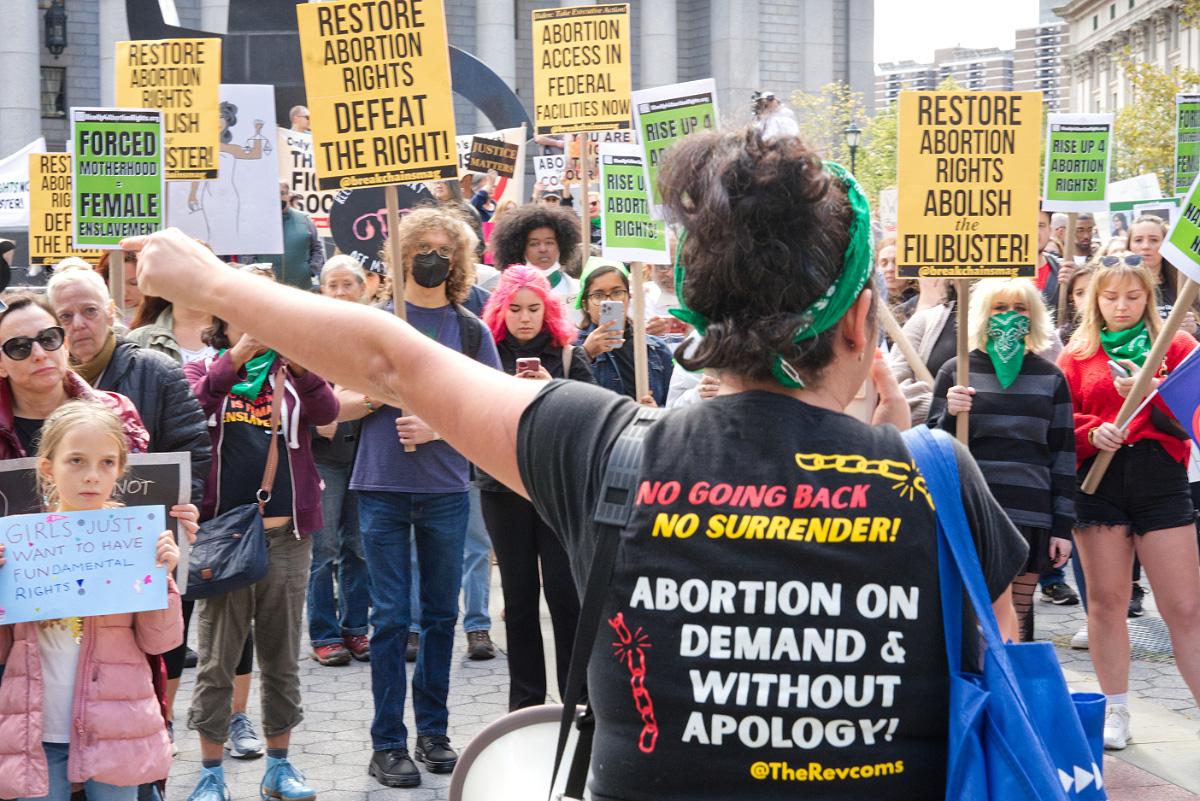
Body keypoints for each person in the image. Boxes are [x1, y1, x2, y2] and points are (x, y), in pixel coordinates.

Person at [127, 126, 1030, 801]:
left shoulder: (605, 447)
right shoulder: (939, 482)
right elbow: (995, 697)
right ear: (863, 323)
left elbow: (390, 361)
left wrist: (208, 282)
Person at [336, 206, 501, 787]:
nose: (434, 257)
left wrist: (437, 424)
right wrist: (381, 395)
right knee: (389, 619)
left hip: (445, 488)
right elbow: (336, 407)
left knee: (439, 616)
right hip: (381, 484)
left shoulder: (470, 328)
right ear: (400, 255)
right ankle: (387, 743)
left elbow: (488, 407)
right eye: (422, 247)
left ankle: (434, 731)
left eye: (444, 249)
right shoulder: (376, 322)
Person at [183, 303, 338, 801]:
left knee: (281, 656)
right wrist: (235, 359)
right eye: (244, 316)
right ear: (223, 323)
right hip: (226, 539)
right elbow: (191, 409)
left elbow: (329, 414)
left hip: (288, 537)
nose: (258, 327)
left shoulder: (292, 374)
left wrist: (301, 366)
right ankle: (210, 774)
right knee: (217, 659)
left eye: (268, 317)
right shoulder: (207, 367)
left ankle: (279, 768)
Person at [0, 401, 193, 801]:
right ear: (47, 467)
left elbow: (160, 642)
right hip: (36, 730)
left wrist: (163, 578)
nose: (92, 475)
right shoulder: (23, 547)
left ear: (121, 470)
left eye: (107, 463)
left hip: (117, 727)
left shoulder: (137, 544)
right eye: (76, 461)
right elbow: (3, 649)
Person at [1059, 259, 1200, 751]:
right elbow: (1057, 422)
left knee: (1184, 607)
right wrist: (1090, 431)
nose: (1122, 306)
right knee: (1106, 602)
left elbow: (1194, 417)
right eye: (1111, 297)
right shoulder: (1077, 354)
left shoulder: (1177, 348)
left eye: (1133, 297)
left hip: (1161, 481)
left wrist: (1155, 391)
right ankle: (1116, 707)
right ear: (1094, 300)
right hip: (1098, 484)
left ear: (1149, 297)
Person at [928, 279, 1076, 642]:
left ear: (1034, 316)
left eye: (1020, 309)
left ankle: (1016, 695)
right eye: (999, 308)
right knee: (972, 616)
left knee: (1017, 618)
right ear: (982, 314)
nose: (1009, 317)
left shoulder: (1051, 376)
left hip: (1030, 514)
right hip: (973, 512)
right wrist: (950, 412)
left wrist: (1062, 527)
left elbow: (1063, 455)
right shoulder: (956, 371)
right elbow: (932, 444)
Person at [478, 265, 593, 709]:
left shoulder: (566, 354)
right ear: (501, 311)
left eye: (534, 309)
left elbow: (591, 414)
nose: (525, 318)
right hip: (501, 485)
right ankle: (524, 704)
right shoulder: (486, 353)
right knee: (519, 597)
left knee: (565, 596)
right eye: (516, 309)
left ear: (548, 311)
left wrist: (552, 390)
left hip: (554, 488)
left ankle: (577, 698)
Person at [307, 257, 372, 666]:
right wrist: (318, 424)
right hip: (324, 458)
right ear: (322, 291)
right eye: (333, 284)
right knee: (323, 548)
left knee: (360, 548)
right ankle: (324, 633)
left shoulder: (372, 334)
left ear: (363, 289)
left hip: (366, 454)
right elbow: (295, 397)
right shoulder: (309, 337)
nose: (341, 291)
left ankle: (356, 629)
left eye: (348, 284)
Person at [576, 258, 674, 406]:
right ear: (585, 304)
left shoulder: (656, 349)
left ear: (629, 297)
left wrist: (655, 412)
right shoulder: (570, 348)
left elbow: (673, 405)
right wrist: (586, 354)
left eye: (617, 292)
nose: (609, 301)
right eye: (598, 295)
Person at [488, 203, 583, 317]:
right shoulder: (502, 292)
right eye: (534, 244)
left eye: (549, 242)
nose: (543, 249)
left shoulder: (579, 291)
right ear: (520, 248)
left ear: (561, 246)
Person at [241, 182, 324, 292]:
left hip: (302, 289)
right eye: (274, 193)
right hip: (268, 291)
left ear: (289, 195)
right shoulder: (258, 223)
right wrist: (258, 274)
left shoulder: (304, 220)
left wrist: (311, 270)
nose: (278, 197)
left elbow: (317, 248)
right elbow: (249, 253)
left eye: (282, 193)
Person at [876, 237, 916, 325]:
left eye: (897, 262)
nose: (890, 269)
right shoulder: (873, 303)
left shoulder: (920, 303)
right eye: (884, 263)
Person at [96, 250, 142, 324]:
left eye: (134, 283)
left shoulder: (161, 317)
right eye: (116, 284)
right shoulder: (95, 315)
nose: (124, 293)